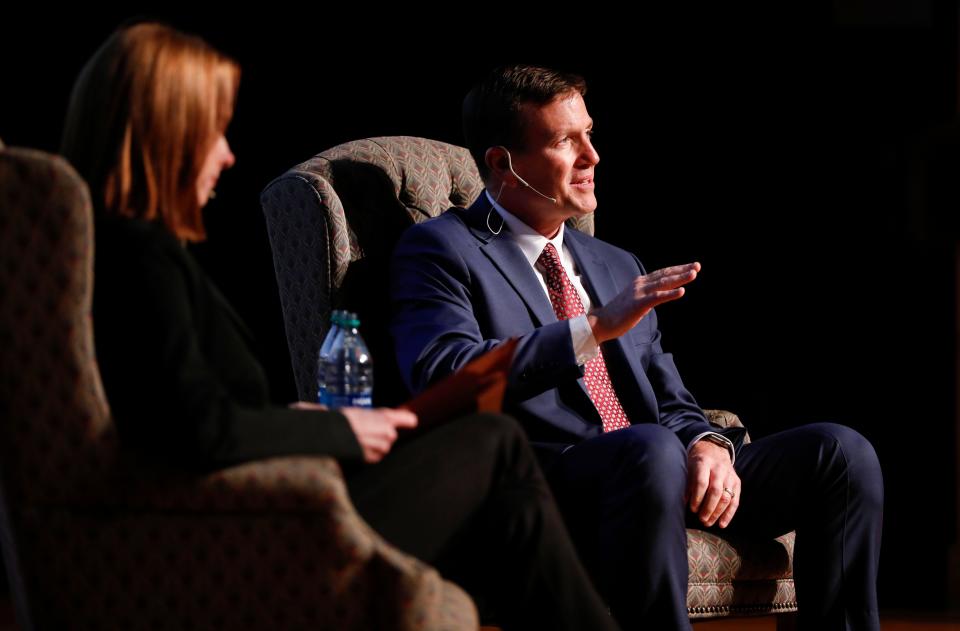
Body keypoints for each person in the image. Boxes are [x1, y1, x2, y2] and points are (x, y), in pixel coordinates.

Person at [61, 25, 618, 630]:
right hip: (234, 532)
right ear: (164, 134)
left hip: (243, 509)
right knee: (495, 444)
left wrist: (303, 423)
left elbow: (175, 413)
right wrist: (341, 430)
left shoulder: (106, 248)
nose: (227, 153)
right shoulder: (137, 257)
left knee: (510, 507)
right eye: (213, 130)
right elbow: (198, 433)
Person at [390, 64, 884, 630]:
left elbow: (669, 396)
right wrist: (594, 327)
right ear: (502, 163)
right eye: (563, 141)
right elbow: (443, 374)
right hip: (554, 479)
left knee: (842, 453)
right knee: (648, 450)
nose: (591, 156)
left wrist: (705, 444)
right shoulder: (442, 249)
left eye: (589, 134)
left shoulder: (614, 262)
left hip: (660, 463)